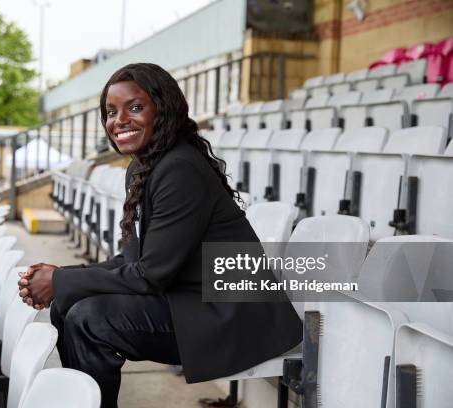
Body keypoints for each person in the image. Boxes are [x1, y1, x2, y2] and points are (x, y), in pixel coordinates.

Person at [18, 63, 302, 407]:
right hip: (190, 299)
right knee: (68, 303)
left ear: (163, 110)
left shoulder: (180, 168)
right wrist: (61, 280)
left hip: (232, 317)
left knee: (91, 319)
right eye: (110, 112)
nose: (118, 120)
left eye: (135, 108)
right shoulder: (143, 167)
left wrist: (59, 280)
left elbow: (152, 274)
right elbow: (131, 261)